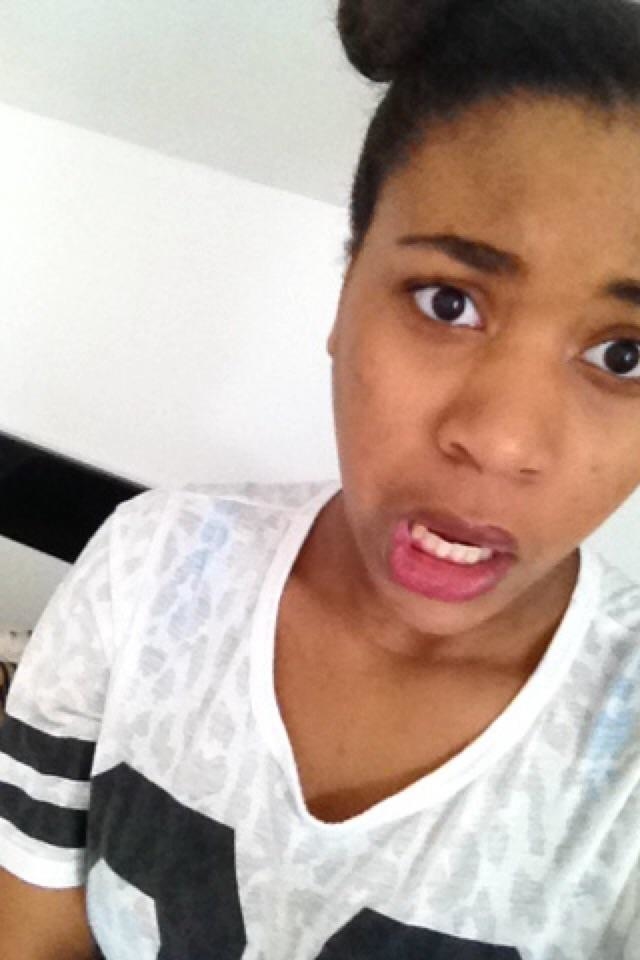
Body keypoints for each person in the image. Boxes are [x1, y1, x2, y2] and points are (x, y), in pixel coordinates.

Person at [1, 0, 640, 955]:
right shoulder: (148, 570)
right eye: (448, 301)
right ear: (345, 297)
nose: (501, 440)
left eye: (625, 355)